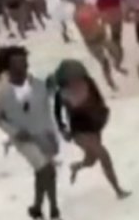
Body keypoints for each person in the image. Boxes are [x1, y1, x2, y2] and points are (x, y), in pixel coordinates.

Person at [0, 46, 67, 220]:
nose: (23, 67)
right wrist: (13, 131)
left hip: (45, 135)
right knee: (47, 169)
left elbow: (50, 97)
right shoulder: (3, 94)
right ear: (8, 68)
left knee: (44, 173)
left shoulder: (38, 85)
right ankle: (55, 212)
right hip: (24, 139)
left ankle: (36, 208)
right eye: (17, 64)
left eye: (24, 62)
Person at [53, 60, 130, 199]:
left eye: (77, 77)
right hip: (79, 131)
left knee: (91, 160)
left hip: (94, 126)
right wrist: (63, 130)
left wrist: (103, 114)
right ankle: (118, 190)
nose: (75, 81)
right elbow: (57, 116)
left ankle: (76, 166)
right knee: (103, 155)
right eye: (71, 78)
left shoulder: (89, 83)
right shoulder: (61, 94)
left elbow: (99, 100)